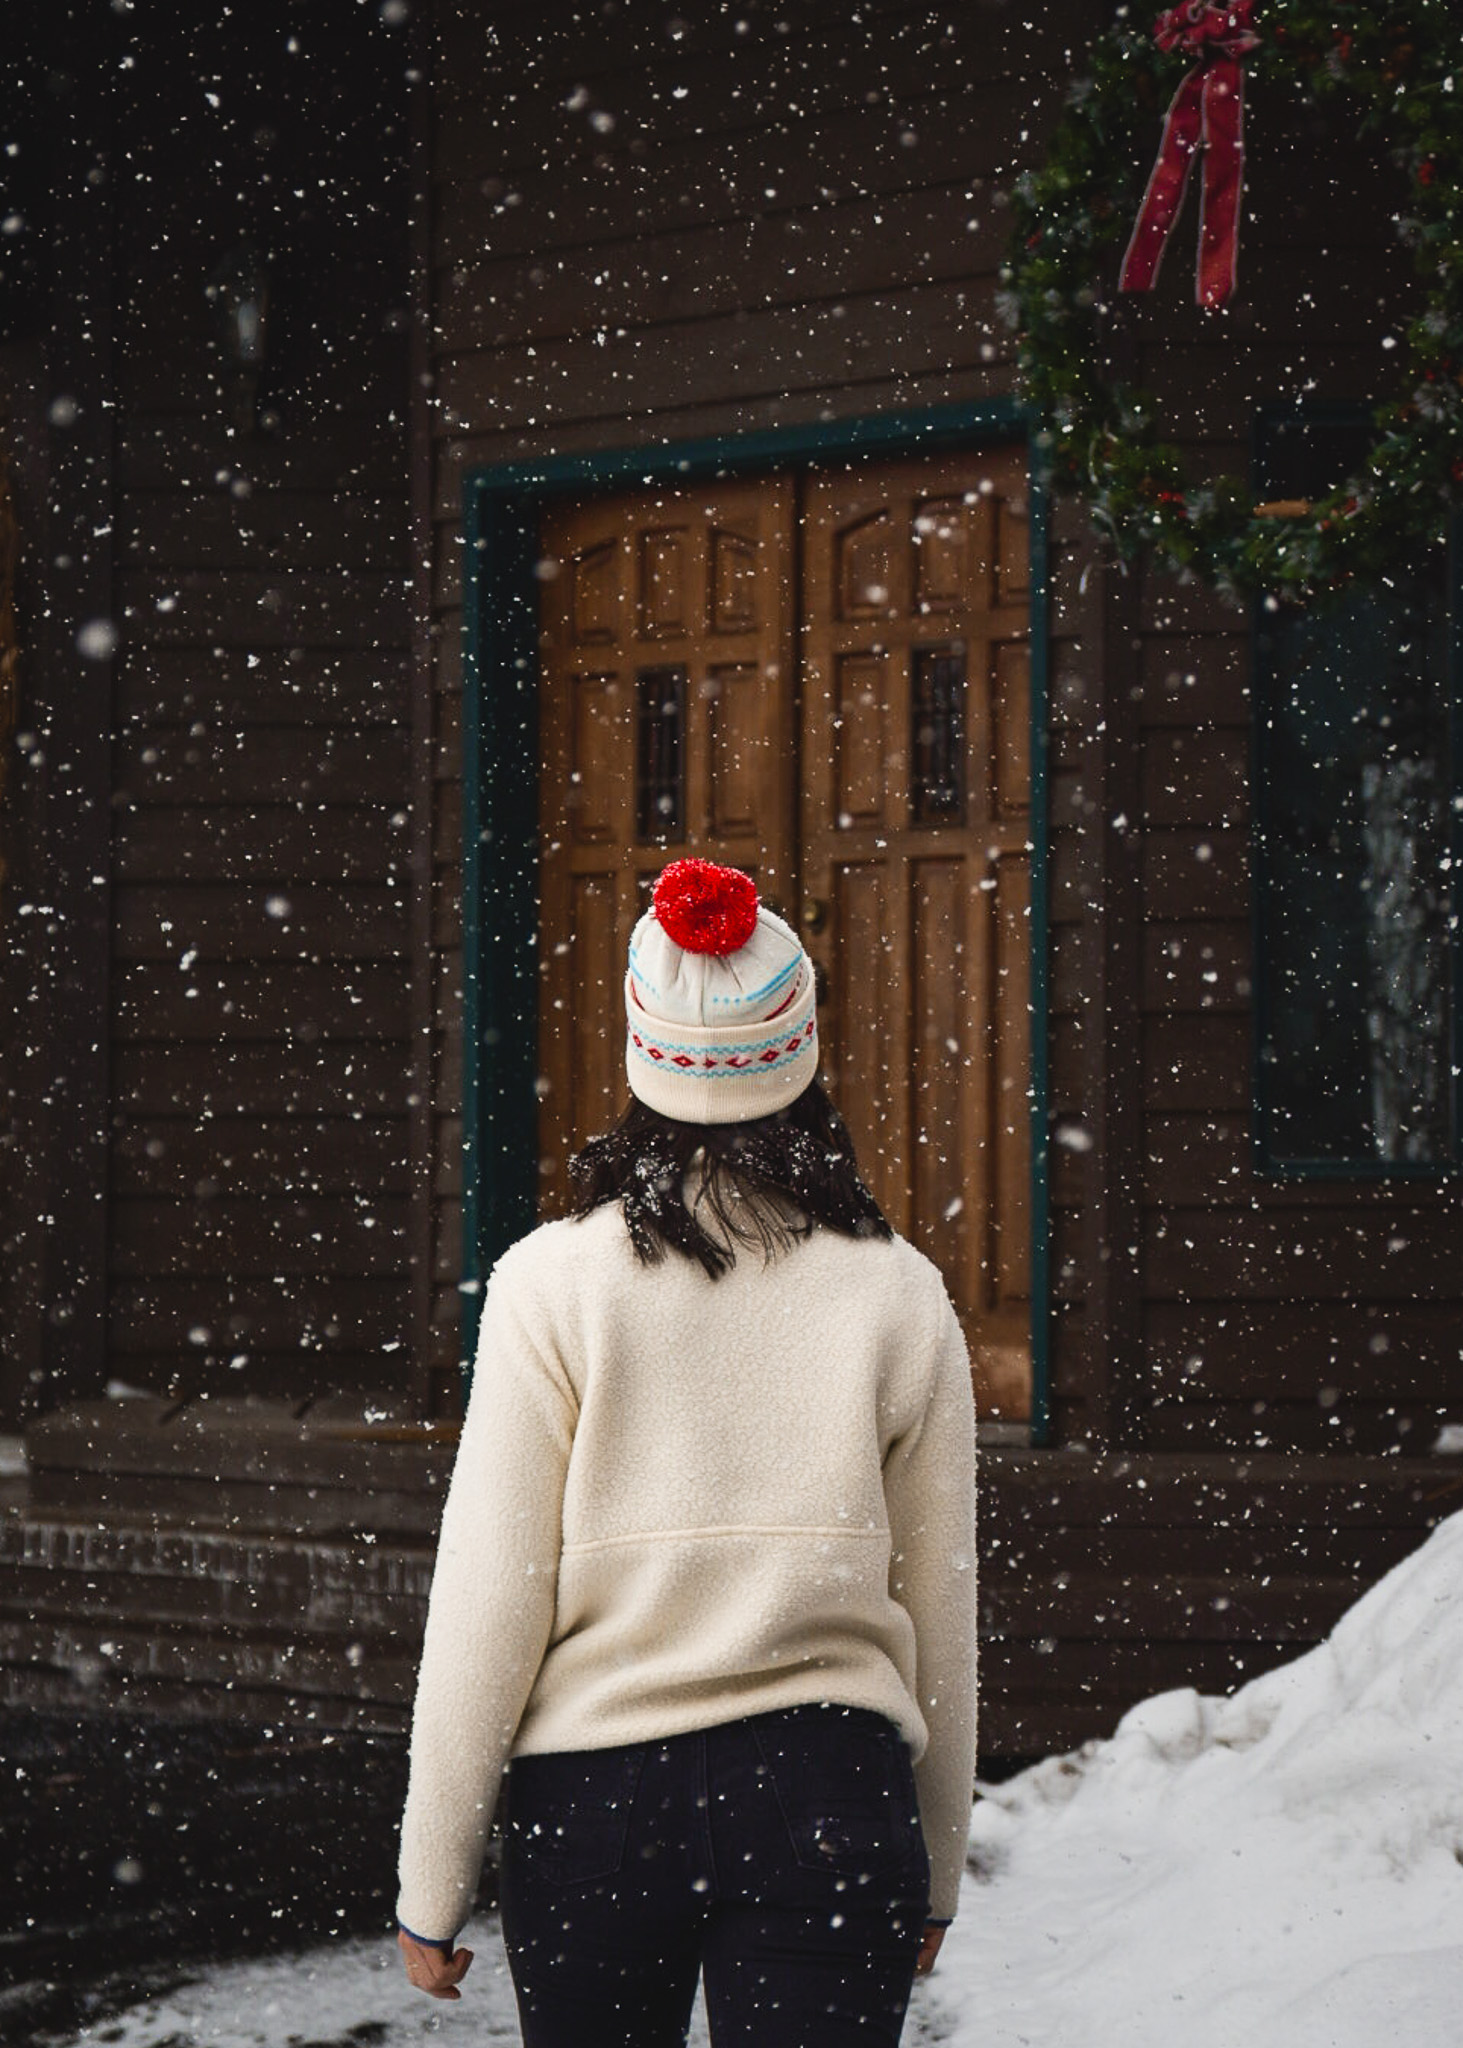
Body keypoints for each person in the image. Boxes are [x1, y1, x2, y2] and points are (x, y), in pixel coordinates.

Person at [395, 856, 978, 2047]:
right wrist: (935, 1859)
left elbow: (487, 1601)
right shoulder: (898, 1293)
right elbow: (938, 1605)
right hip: (831, 1788)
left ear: (639, 1052)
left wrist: (431, 1876)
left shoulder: (546, 1283)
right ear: (800, 1052)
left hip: (592, 1804)